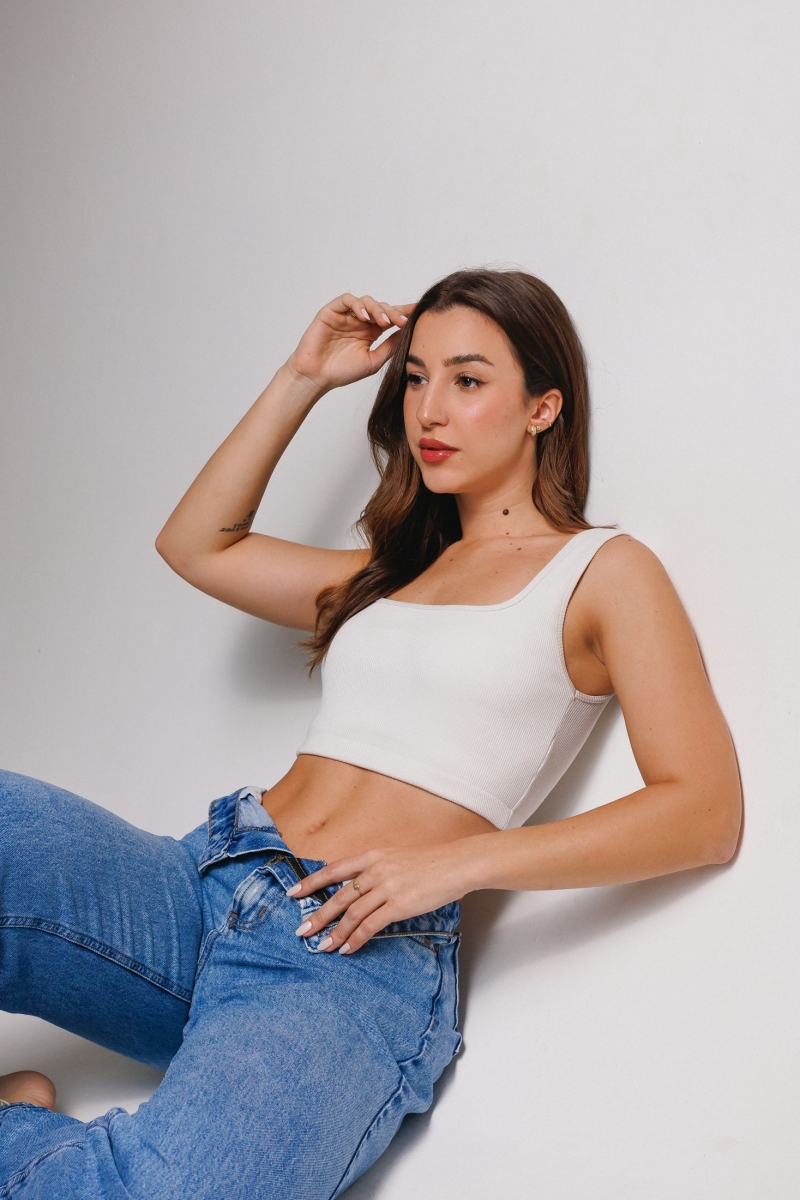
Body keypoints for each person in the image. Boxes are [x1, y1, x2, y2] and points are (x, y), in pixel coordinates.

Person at [0, 268, 742, 1198]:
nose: (430, 408)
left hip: (350, 955)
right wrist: (303, 377)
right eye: (417, 377)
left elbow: (703, 811)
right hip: (203, 883)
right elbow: (196, 545)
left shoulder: (605, 570)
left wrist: (456, 866)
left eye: (468, 380)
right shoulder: (389, 574)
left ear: (543, 407)